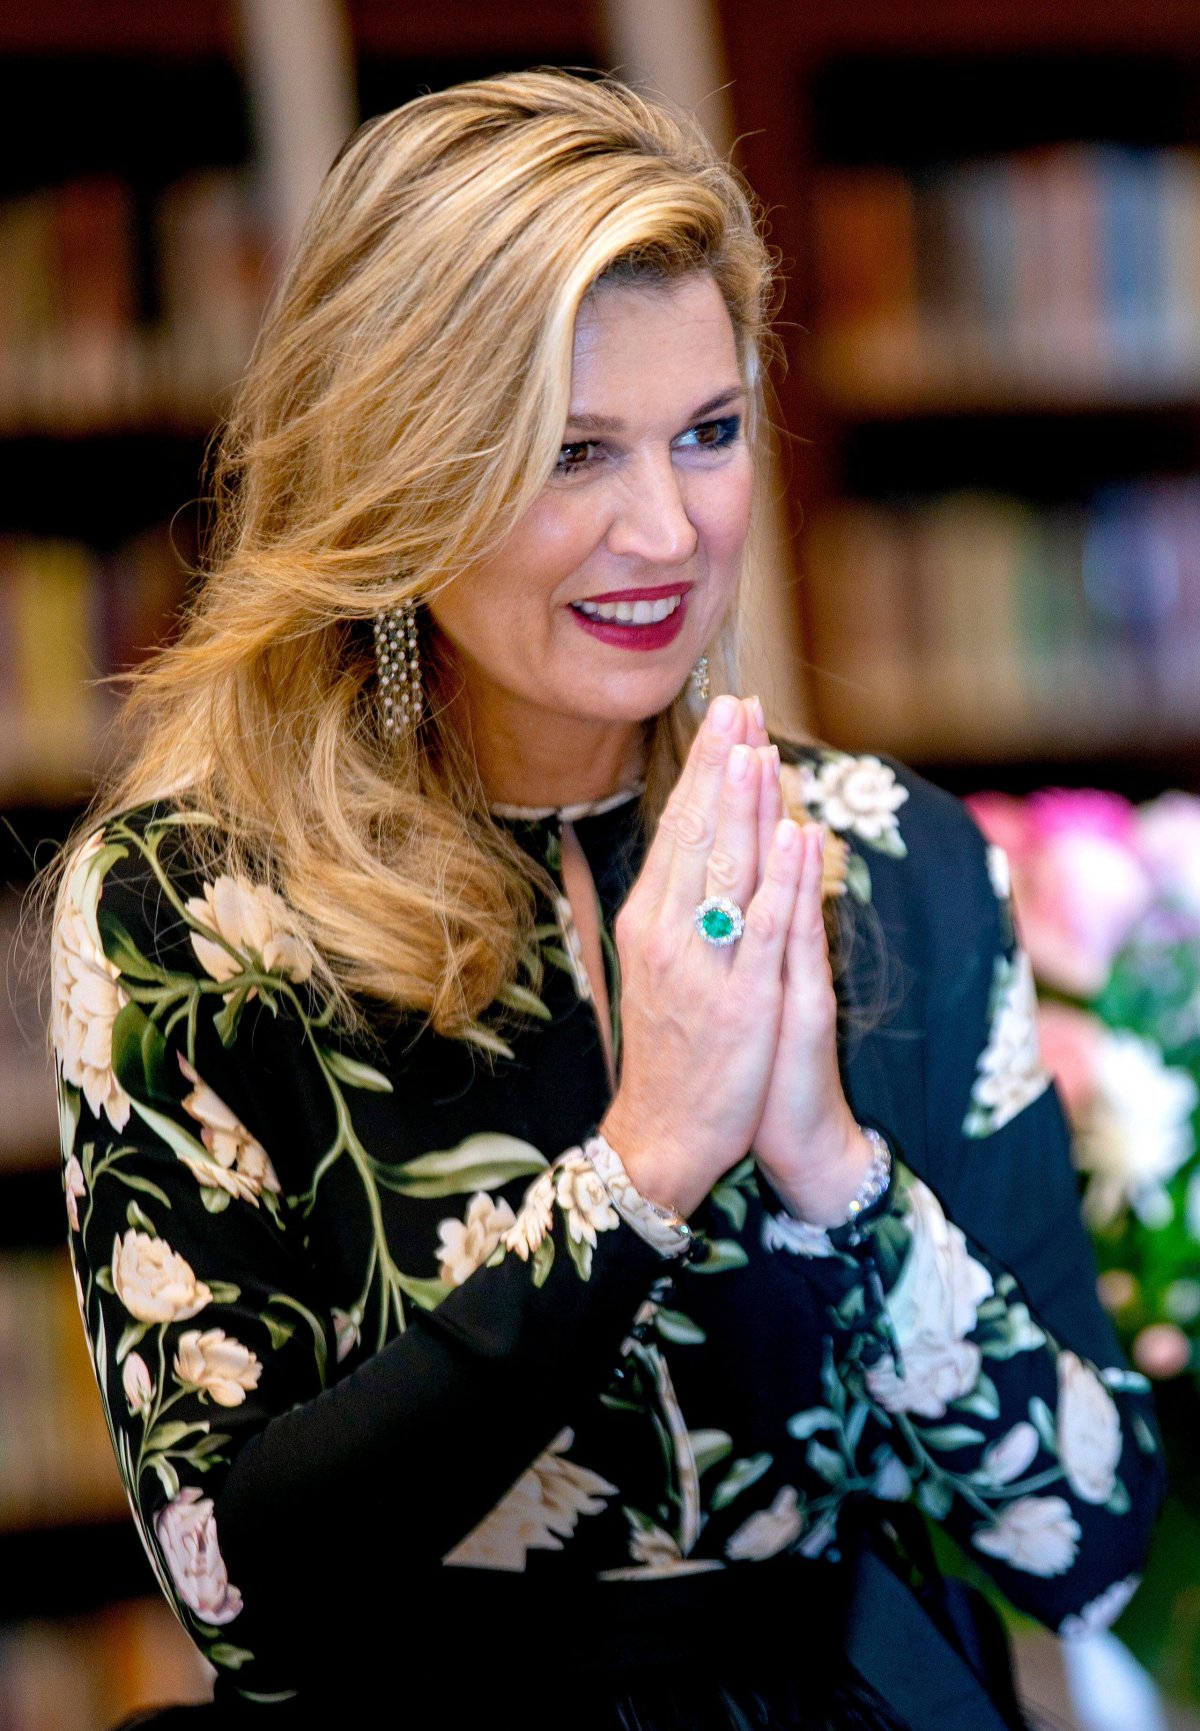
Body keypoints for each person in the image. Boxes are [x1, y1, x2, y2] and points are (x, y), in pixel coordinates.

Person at [49, 70, 1163, 1728]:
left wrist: (834, 1173)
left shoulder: (891, 860)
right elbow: (241, 1593)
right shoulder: (195, 914)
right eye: (573, 452)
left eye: (707, 433)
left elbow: (1089, 1543)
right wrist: (639, 1171)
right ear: (399, 472)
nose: (668, 529)